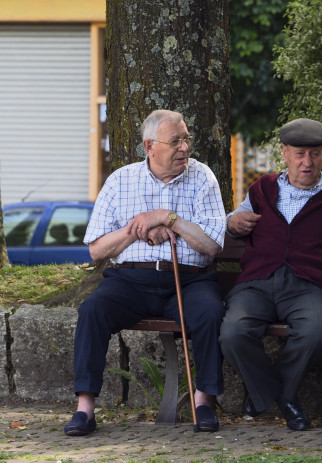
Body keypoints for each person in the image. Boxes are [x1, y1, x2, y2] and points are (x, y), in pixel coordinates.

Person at [65, 109, 227, 436]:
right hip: (130, 281)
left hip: (188, 279)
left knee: (211, 312)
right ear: (149, 146)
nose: (184, 148)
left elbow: (211, 246)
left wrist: (169, 218)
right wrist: (136, 228)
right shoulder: (120, 180)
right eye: (175, 141)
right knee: (92, 310)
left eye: (186, 139)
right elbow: (96, 249)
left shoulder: (202, 177)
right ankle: (85, 408)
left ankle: (204, 402)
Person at [219, 118, 322, 431]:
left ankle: (267, 396)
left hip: (310, 286)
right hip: (256, 284)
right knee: (232, 334)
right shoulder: (262, 189)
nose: (306, 162)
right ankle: (283, 397)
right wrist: (233, 223)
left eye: (314, 154)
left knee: (315, 333)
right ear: (284, 153)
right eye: (299, 154)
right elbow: (234, 219)